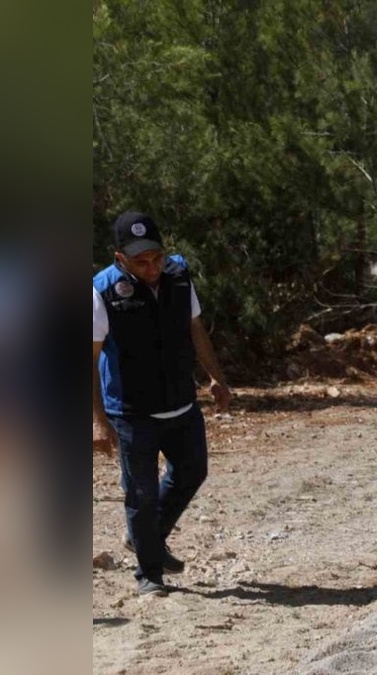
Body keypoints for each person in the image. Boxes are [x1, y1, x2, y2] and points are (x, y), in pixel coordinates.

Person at [92, 211, 232, 597]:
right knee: (141, 493)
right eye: (141, 262)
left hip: (180, 403)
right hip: (131, 410)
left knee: (192, 471)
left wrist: (216, 377)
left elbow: (196, 329)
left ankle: (147, 538)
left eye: (156, 257)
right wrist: (97, 421)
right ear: (120, 258)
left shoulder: (179, 275)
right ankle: (149, 573)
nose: (152, 267)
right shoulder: (102, 292)